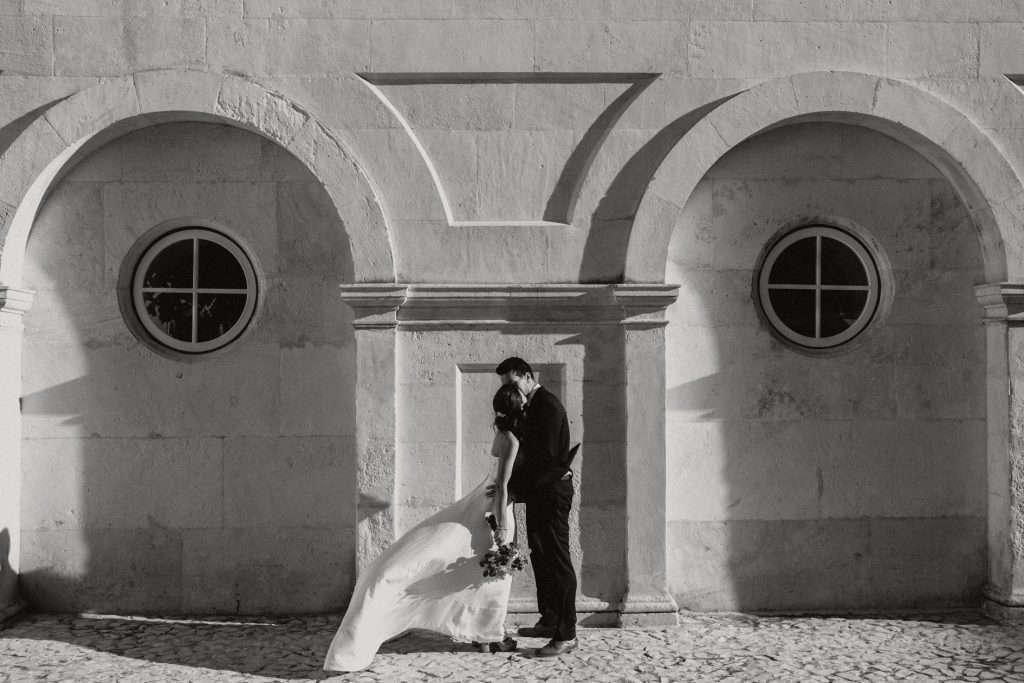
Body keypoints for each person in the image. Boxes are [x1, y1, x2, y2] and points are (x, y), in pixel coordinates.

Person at [322, 384, 524, 672]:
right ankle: (490, 635)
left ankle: (487, 633)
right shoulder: (512, 440)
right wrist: (502, 525)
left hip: (482, 499)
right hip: (496, 507)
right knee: (493, 572)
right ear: (518, 408)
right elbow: (502, 485)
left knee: (482, 570)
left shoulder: (501, 436)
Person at [489, 357, 578, 658]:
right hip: (540, 492)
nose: (510, 391)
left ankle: (566, 634)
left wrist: (512, 487)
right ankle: (550, 619)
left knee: (557, 559)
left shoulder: (547, 405)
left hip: (552, 492)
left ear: (528, 377)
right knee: (540, 554)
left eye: (513, 383)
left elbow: (547, 461)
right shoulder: (531, 406)